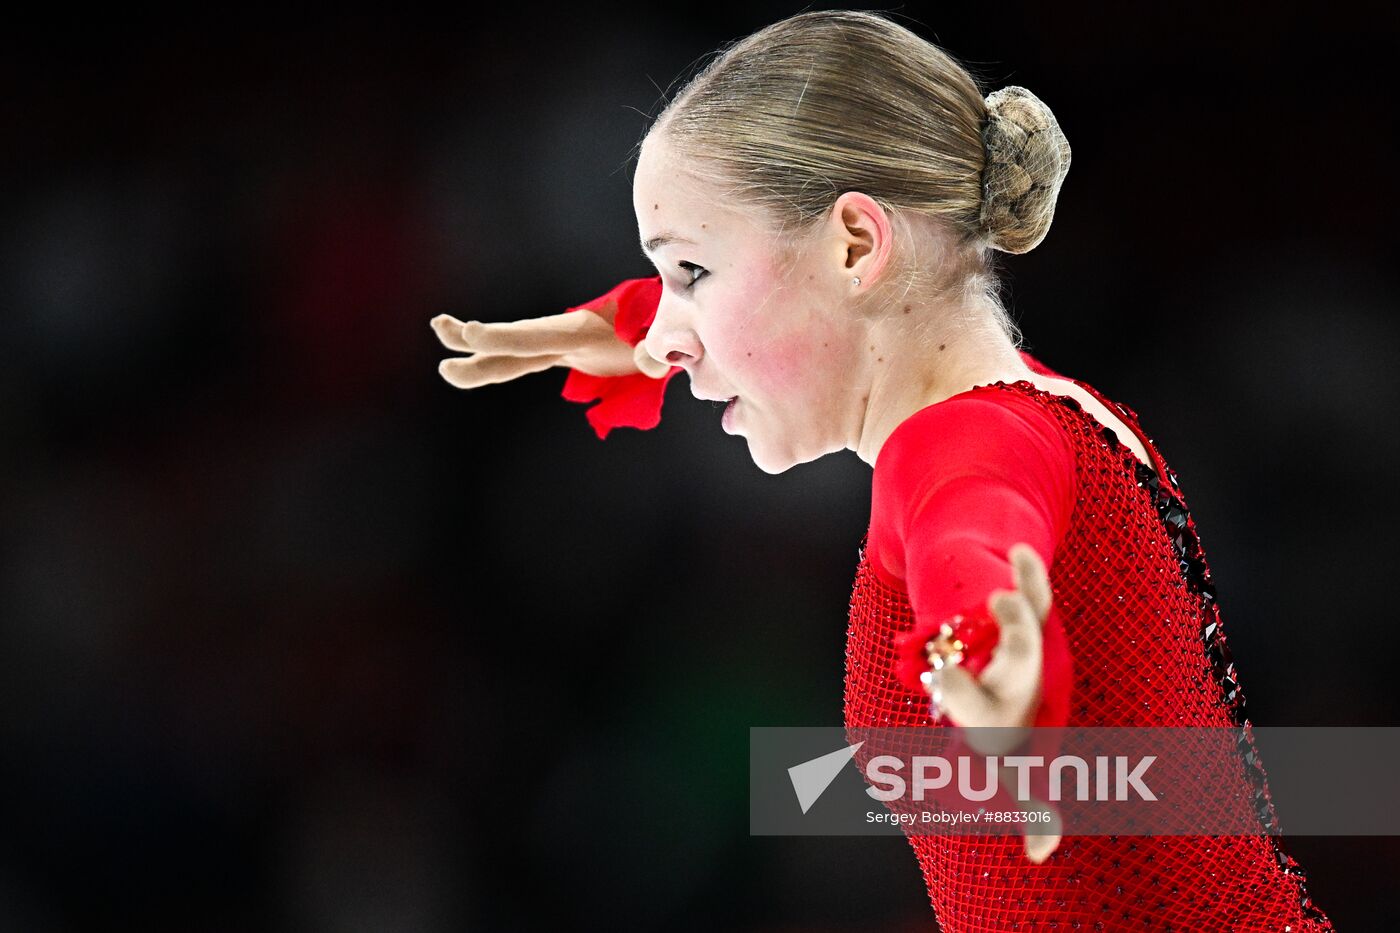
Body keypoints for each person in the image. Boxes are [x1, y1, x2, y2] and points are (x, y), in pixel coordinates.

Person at [431, 10, 1334, 930]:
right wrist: (595, 328)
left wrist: (988, 646)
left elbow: (972, 529)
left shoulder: (962, 444)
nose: (667, 334)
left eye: (691, 270)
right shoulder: (1040, 408)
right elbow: (748, 304)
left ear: (857, 246)